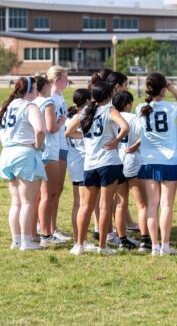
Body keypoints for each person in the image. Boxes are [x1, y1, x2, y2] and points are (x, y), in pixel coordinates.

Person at [66, 80, 129, 255]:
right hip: (108, 163)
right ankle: (102, 247)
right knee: (105, 206)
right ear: (109, 95)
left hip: (90, 164)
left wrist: (86, 138)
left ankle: (79, 244)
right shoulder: (109, 110)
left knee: (85, 206)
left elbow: (68, 132)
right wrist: (116, 140)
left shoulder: (85, 111)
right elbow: (125, 127)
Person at [0, 77, 47, 251]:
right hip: (25, 154)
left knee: (15, 202)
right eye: (36, 89)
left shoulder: (6, 107)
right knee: (28, 202)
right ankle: (26, 241)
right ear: (30, 92)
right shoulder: (30, 106)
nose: (37, 92)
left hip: (7, 155)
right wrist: (37, 146)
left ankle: (15, 241)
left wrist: (8, 142)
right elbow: (40, 130)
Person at [136, 73, 177, 256]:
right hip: (169, 160)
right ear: (164, 88)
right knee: (166, 205)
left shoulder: (140, 107)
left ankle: (155, 246)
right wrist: (173, 90)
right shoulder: (171, 107)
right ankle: (165, 245)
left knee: (152, 205)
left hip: (149, 160)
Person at [32, 74, 68, 247]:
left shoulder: (31, 104)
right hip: (49, 152)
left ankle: (33, 232)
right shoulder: (48, 102)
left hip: (36, 151)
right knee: (48, 195)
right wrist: (62, 122)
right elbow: (52, 128)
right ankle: (46, 234)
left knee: (36, 196)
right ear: (45, 87)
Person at [65, 88, 96, 252]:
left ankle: (80, 239)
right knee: (84, 204)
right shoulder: (81, 116)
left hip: (74, 164)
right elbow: (68, 133)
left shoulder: (70, 115)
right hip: (83, 162)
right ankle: (80, 241)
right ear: (86, 102)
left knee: (78, 203)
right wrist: (86, 136)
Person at [111, 90, 141, 250]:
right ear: (128, 104)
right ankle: (146, 238)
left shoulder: (111, 117)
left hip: (116, 161)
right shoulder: (134, 118)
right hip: (132, 161)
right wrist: (137, 145)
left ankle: (122, 237)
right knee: (141, 203)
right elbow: (145, 136)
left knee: (120, 202)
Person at [47, 66, 71, 242]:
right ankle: (47, 228)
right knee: (50, 191)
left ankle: (52, 226)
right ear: (56, 80)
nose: (67, 81)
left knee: (58, 189)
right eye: (65, 78)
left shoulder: (60, 97)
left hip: (63, 145)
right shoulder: (50, 99)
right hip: (53, 147)